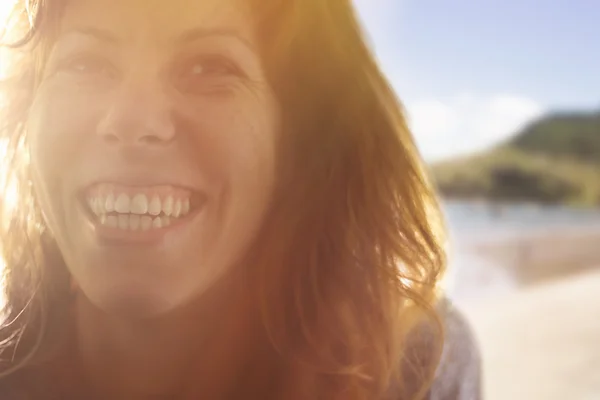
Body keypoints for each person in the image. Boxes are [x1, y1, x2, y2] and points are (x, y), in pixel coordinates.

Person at [0, 0, 481, 399]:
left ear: (299, 134)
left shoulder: (414, 367)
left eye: (208, 66)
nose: (131, 119)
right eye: (85, 63)